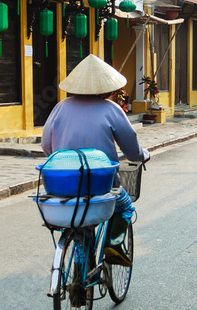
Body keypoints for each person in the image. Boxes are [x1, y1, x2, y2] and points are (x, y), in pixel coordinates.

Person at [42, 55, 149, 267]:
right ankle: (113, 244)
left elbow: (46, 146)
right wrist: (143, 154)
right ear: (108, 89)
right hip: (101, 185)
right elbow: (132, 150)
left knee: (75, 217)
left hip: (64, 184)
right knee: (126, 207)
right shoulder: (112, 109)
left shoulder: (60, 107)